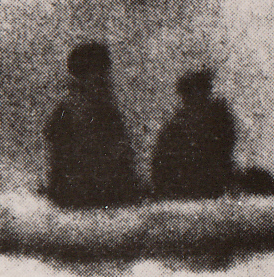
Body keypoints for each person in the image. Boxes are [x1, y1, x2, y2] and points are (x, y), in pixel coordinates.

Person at [43, 41, 142, 209]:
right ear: (83, 77)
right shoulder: (68, 112)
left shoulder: (107, 111)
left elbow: (123, 159)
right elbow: (62, 166)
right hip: (83, 202)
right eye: (99, 73)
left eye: (105, 72)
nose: (106, 79)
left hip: (105, 199)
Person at [149, 68, 242, 201]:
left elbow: (225, 152)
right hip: (189, 191)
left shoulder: (217, 117)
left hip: (205, 188)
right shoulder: (177, 127)